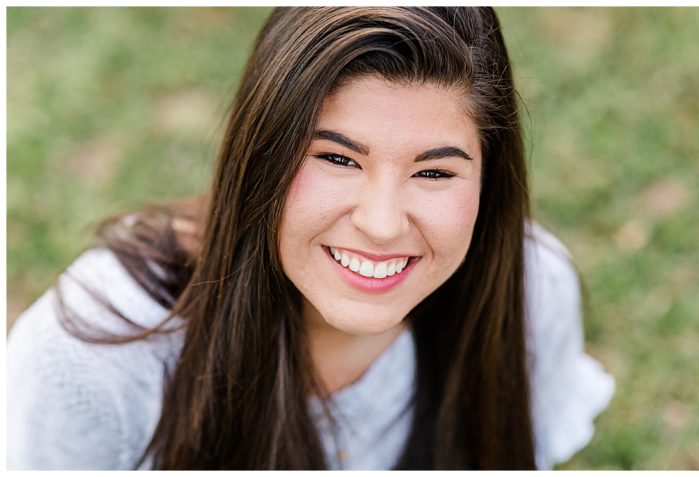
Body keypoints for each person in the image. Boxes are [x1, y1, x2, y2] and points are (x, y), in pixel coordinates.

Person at [7, 7, 613, 470]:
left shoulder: (532, 295)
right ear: (261, 154)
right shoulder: (90, 363)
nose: (381, 224)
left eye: (434, 172)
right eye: (338, 159)